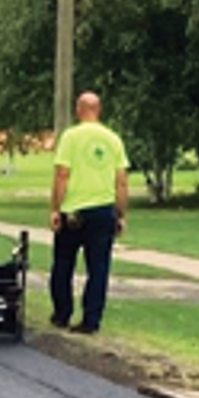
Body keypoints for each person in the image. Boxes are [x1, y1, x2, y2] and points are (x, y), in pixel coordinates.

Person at [49, 91, 129, 335]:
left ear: (78, 109)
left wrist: (55, 208)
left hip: (73, 211)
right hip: (102, 210)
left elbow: (62, 174)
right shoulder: (113, 139)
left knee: (63, 263)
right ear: (99, 109)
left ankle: (62, 313)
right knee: (99, 267)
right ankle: (91, 319)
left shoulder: (71, 137)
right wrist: (121, 213)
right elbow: (122, 181)